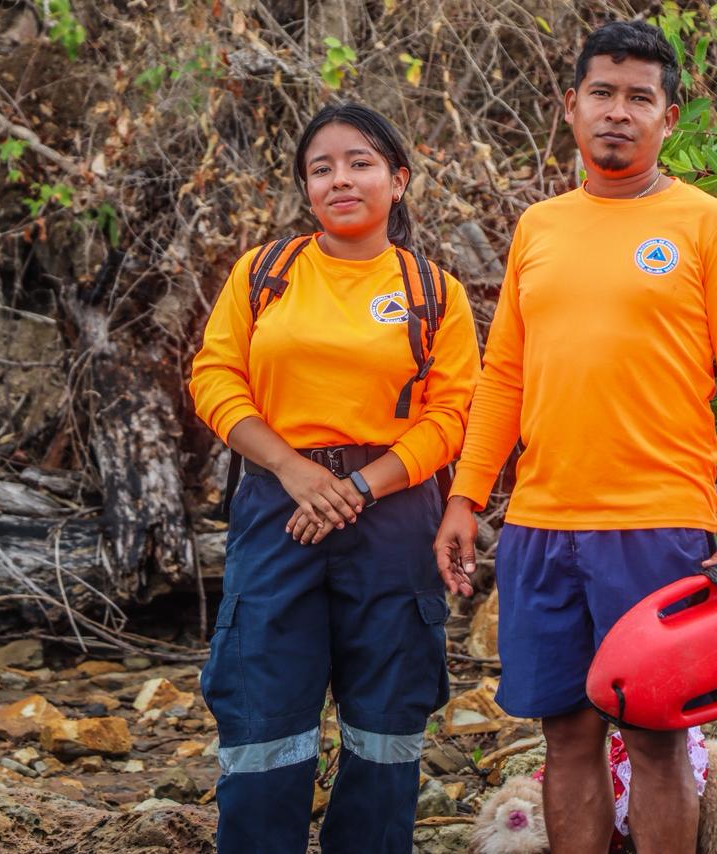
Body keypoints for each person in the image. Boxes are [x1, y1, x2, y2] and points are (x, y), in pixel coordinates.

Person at [433, 20, 717, 854]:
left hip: (657, 524)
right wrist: (465, 496)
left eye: (639, 97)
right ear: (571, 106)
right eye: (602, 93)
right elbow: (505, 378)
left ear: (670, 117)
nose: (617, 112)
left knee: (658, 738)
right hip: (542, 527)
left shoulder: (708, 224)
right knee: (566, 737)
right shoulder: (539, 227)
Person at [189, 103, 480, 853]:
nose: (340, 180)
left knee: (387, 715)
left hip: (393, 515)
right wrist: (291, 468)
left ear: (398, 180)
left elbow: (452, 416)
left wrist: (357, 489)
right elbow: (214, 378)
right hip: (277, 507)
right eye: (322, 169)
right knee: (262, 706)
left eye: (360, 163)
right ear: (306, 188)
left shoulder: (434, 292)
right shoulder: (264, 273)